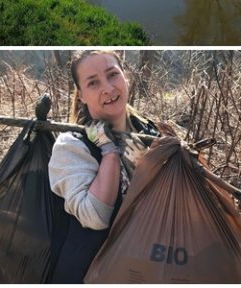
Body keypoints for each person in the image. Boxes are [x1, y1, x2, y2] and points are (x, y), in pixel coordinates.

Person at [48, 50, 162, 283]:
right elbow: (95, 217)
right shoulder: (71, 146)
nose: (108, 88)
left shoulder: (149, 132)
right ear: (81, 96)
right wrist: (109, 151)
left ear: (125, 78)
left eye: (113, 75)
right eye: (93, 83)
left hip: (147, 268)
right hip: (90, 275)